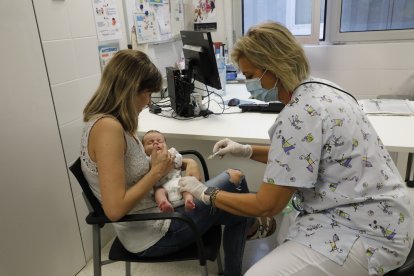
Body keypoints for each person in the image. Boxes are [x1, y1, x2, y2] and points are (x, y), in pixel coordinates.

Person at [179, 21, 413, 276]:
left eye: (250, 75)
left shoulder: (298, 115)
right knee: (288, 231)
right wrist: (246, 150)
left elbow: (267, 205)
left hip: (365, 231)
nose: (248, 84)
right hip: (390, 213)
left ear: (274, 67)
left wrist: (206, 193)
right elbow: (301, 157)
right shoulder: (325, 88)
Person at [80, 49, 274, 276]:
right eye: (147, 93)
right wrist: (156, 173)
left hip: (161, 211)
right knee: (235, 177)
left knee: (237, 209)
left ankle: (241, 244)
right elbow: (114, 210)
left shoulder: (115, 124)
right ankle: (253, 225)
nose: (148, 101)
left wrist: (187, 162)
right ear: (130, 90)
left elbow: (143, 167)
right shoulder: (108, 130)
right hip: (154, 232)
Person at [142, 130, 195, 212]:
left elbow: (179, 161)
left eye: (160, 141)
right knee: (158, 192)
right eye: (150, 142)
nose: (156, 143)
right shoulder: (146, 160)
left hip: (177, 182)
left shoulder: (171, 152)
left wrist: (172, 158)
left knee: (186, 187)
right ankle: (164, 203)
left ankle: (188, 200)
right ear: (144, 149)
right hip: (162, 186)